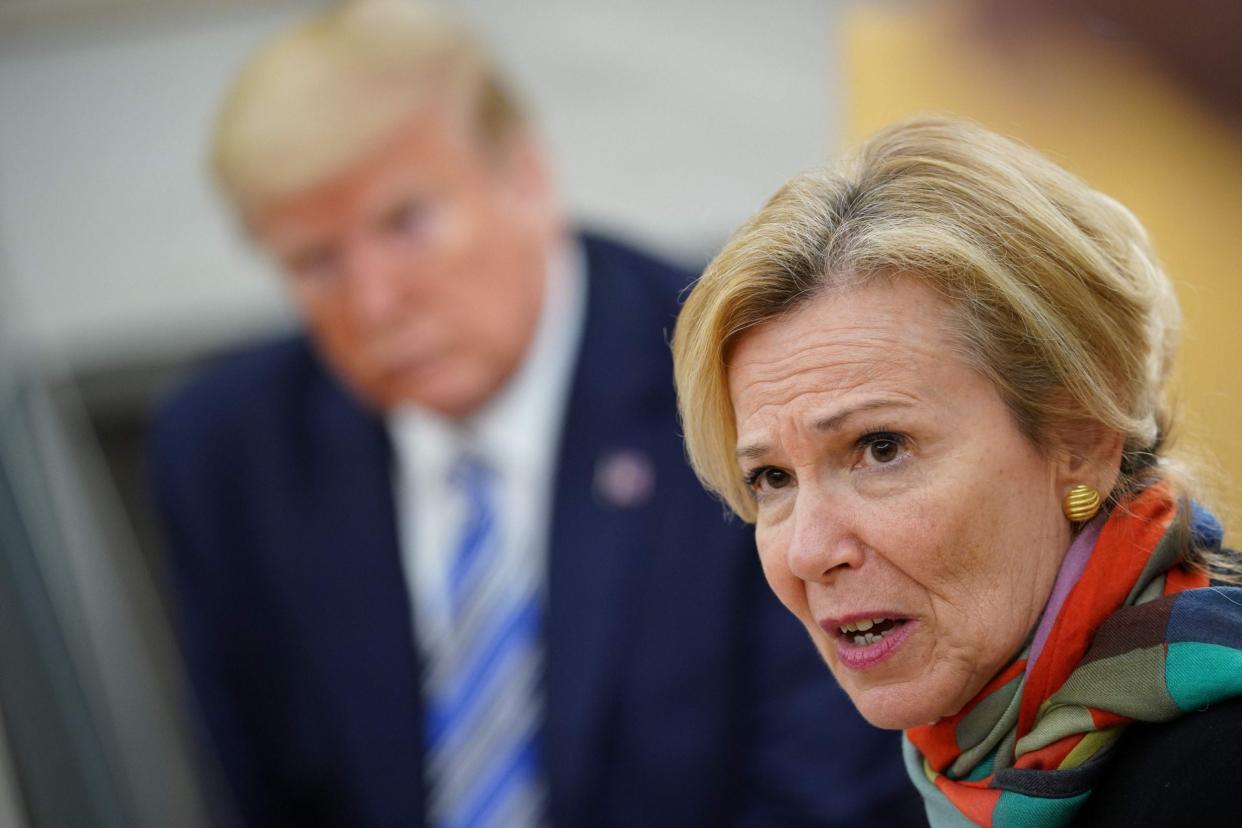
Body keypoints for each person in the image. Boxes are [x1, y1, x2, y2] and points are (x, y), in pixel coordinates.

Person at [150, 2, 922, 826]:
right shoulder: (228, 455)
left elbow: (830, 791)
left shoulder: (739, 376)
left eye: (406, 222)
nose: (373, 302)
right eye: (314, 262)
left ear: (525, 176)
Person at [672, 114, 1242, 826]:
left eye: (882, 448)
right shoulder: (970, 772)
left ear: (1082, 441)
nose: (809, 551)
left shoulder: (1218, 774)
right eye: (772, 479)